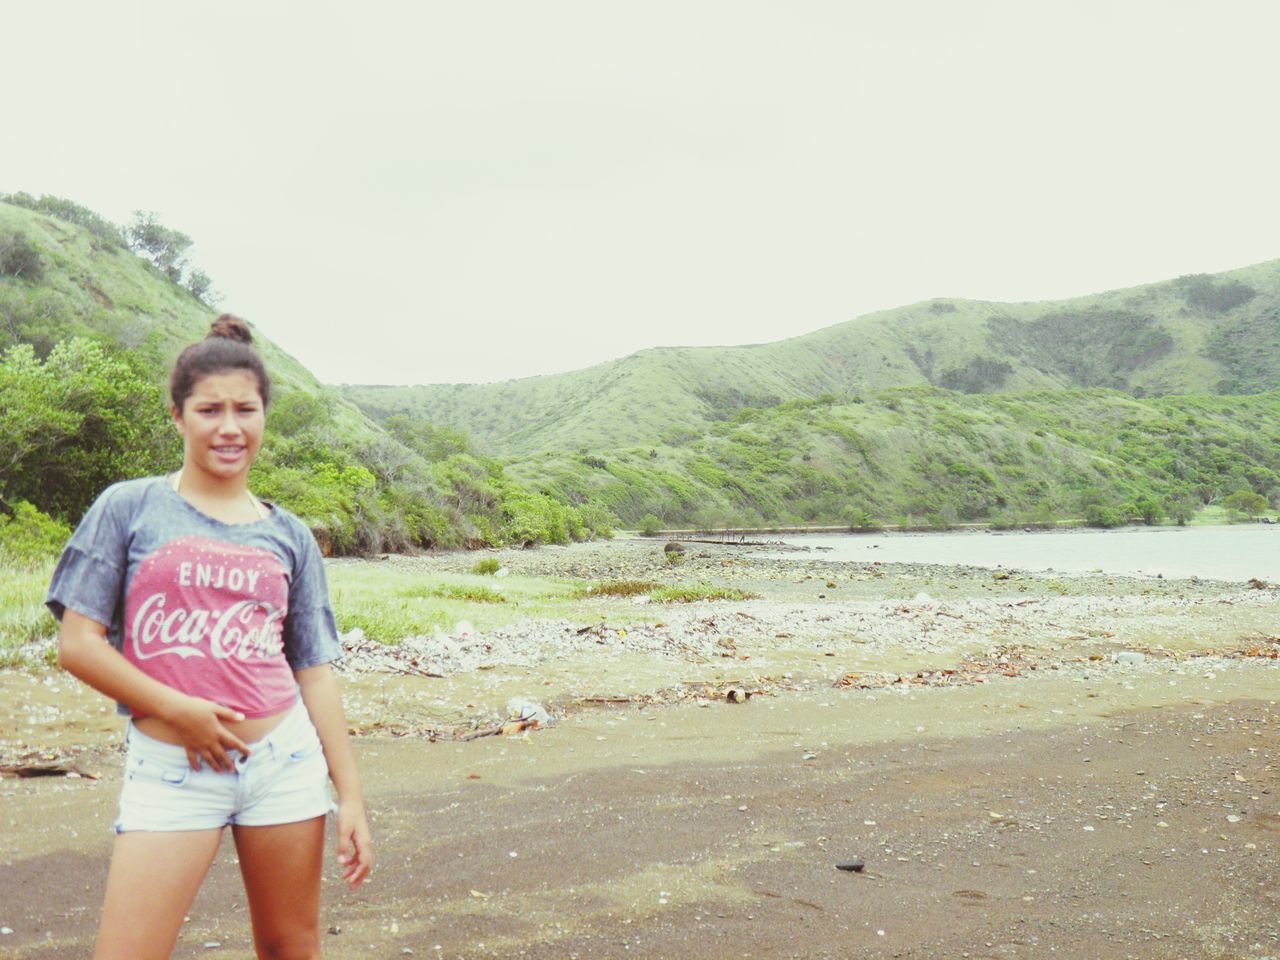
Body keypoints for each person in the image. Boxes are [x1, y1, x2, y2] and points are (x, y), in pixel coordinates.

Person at [47, 315, 372, 960]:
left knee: (289, 950)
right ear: (177, 416)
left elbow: (313, 669)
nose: (230, 426)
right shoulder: (129, 506)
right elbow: (77, 643)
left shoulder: (290, 535)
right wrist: (178, 710)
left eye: (245, 409)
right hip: (172, 769)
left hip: (283, 765)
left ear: (263, 417)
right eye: (210, 409)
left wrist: (352, 795)